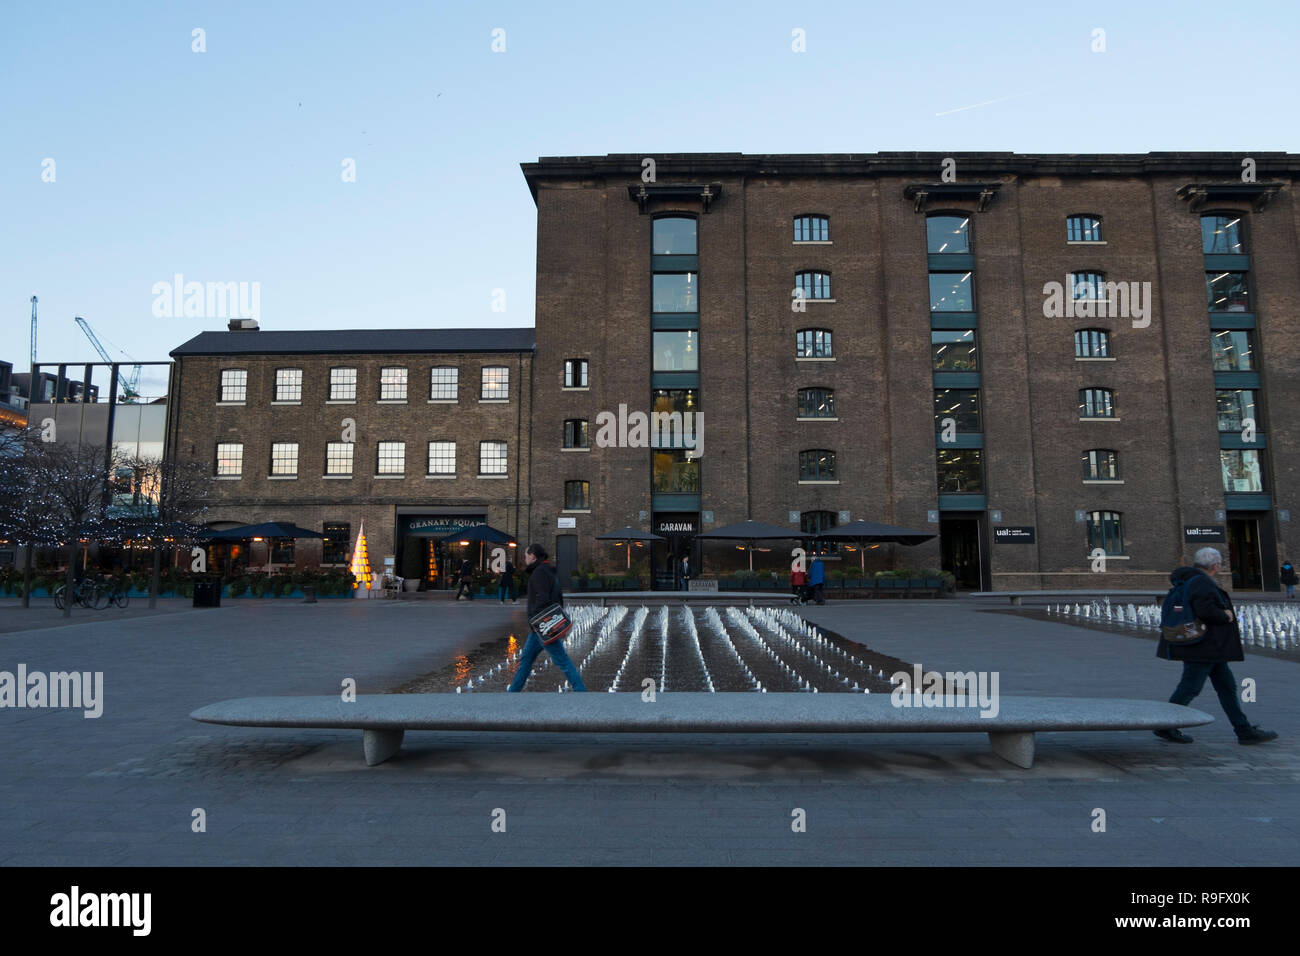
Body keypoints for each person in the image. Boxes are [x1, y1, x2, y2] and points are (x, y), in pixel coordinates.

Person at [1154, 547, 1277, 745]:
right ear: (1215, 566)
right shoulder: (1202, 582)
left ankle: (1243, 730)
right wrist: (1225, 615)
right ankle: (1165, 725)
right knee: (1190, 688)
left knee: (1227, 687)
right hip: (1203, 646)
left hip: (1206, 646)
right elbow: (1206, 611)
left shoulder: (1189, 579)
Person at [506, 544, 587, 692]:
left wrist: (535, 618)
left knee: (561, 660)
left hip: (543, 626)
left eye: (526, 555)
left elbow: (542, 598)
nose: (524, 559)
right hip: (539, 627)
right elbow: (558, 598)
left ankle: (580, 690)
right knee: (526, 659)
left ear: (533, 556)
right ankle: (513, 692)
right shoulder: (548, 571)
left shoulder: (539, 573)